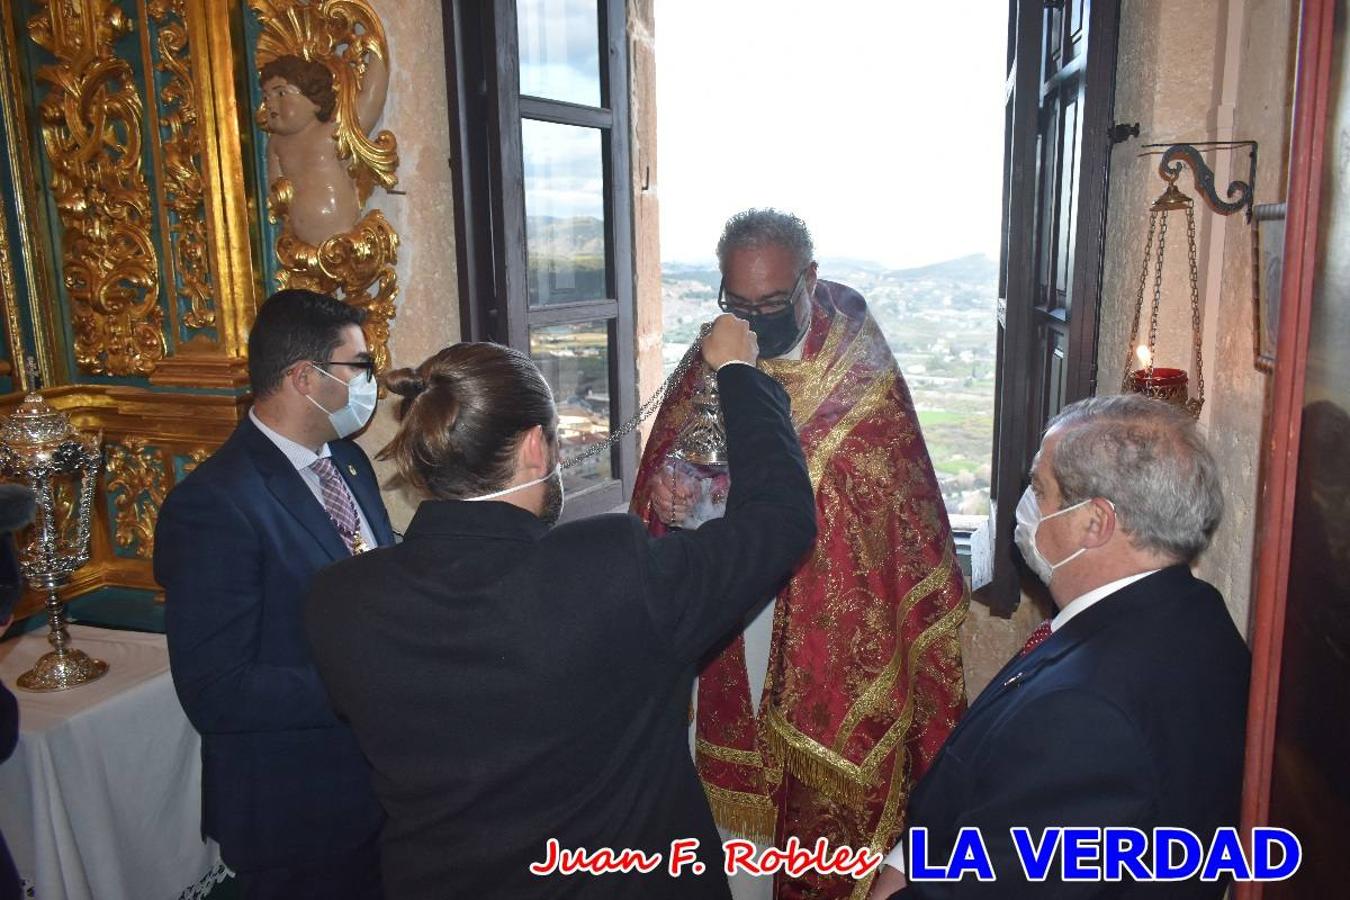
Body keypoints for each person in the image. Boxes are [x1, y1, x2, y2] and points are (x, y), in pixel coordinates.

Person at [302, 315, 817, 899]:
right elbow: (781, 521)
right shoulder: (612, 570)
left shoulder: (336, 601)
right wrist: (739, 373)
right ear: (532, 446)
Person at [632, 209, 968, 900]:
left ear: (809, 279)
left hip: (827, 630)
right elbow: (682, 458)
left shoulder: (861, 377)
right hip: (729, 621)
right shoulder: (714, 356)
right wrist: (675, 496)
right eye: (737, 303)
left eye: (771, 303)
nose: (751, 319)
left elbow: (886, 511)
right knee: (730, 847)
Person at [870, 394, 1250, 899]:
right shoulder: (1193, 610)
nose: (1026, 507)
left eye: (1039, 489)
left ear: (1095, 522)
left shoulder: (1084, 712)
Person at [154, 289, 396, 899]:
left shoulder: (347, 461)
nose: (373, 382)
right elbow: (217, 690)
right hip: (297, 811)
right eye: (360, 366)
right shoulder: (215, 505)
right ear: (303, 377)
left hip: (379, 787)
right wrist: (370, 684)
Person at [260, 53, 389, 246]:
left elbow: (372, 98)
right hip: (301, 247)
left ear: (314, 98)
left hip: (344, 237)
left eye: (280, 93)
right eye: (266, 96)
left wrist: (377, 50)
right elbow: (276, 191)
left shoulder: (331, 133)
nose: (269, 103)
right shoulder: (276, 145)